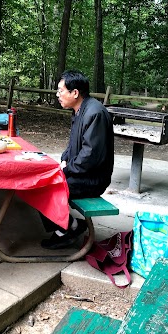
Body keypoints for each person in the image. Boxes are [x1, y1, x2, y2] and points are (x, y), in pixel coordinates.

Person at [41, 69, 114, 249]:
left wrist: (66, 169)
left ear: (75, 93)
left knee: (44, 186)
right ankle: (71, 225)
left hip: (92, 179)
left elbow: (90, 156)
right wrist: (64, 159)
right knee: (40, 181)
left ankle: (65, 231)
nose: (58, 95)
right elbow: (73, 145)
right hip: (80, 173)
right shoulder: (79, 109)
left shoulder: (94, 113)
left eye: (61, 91)